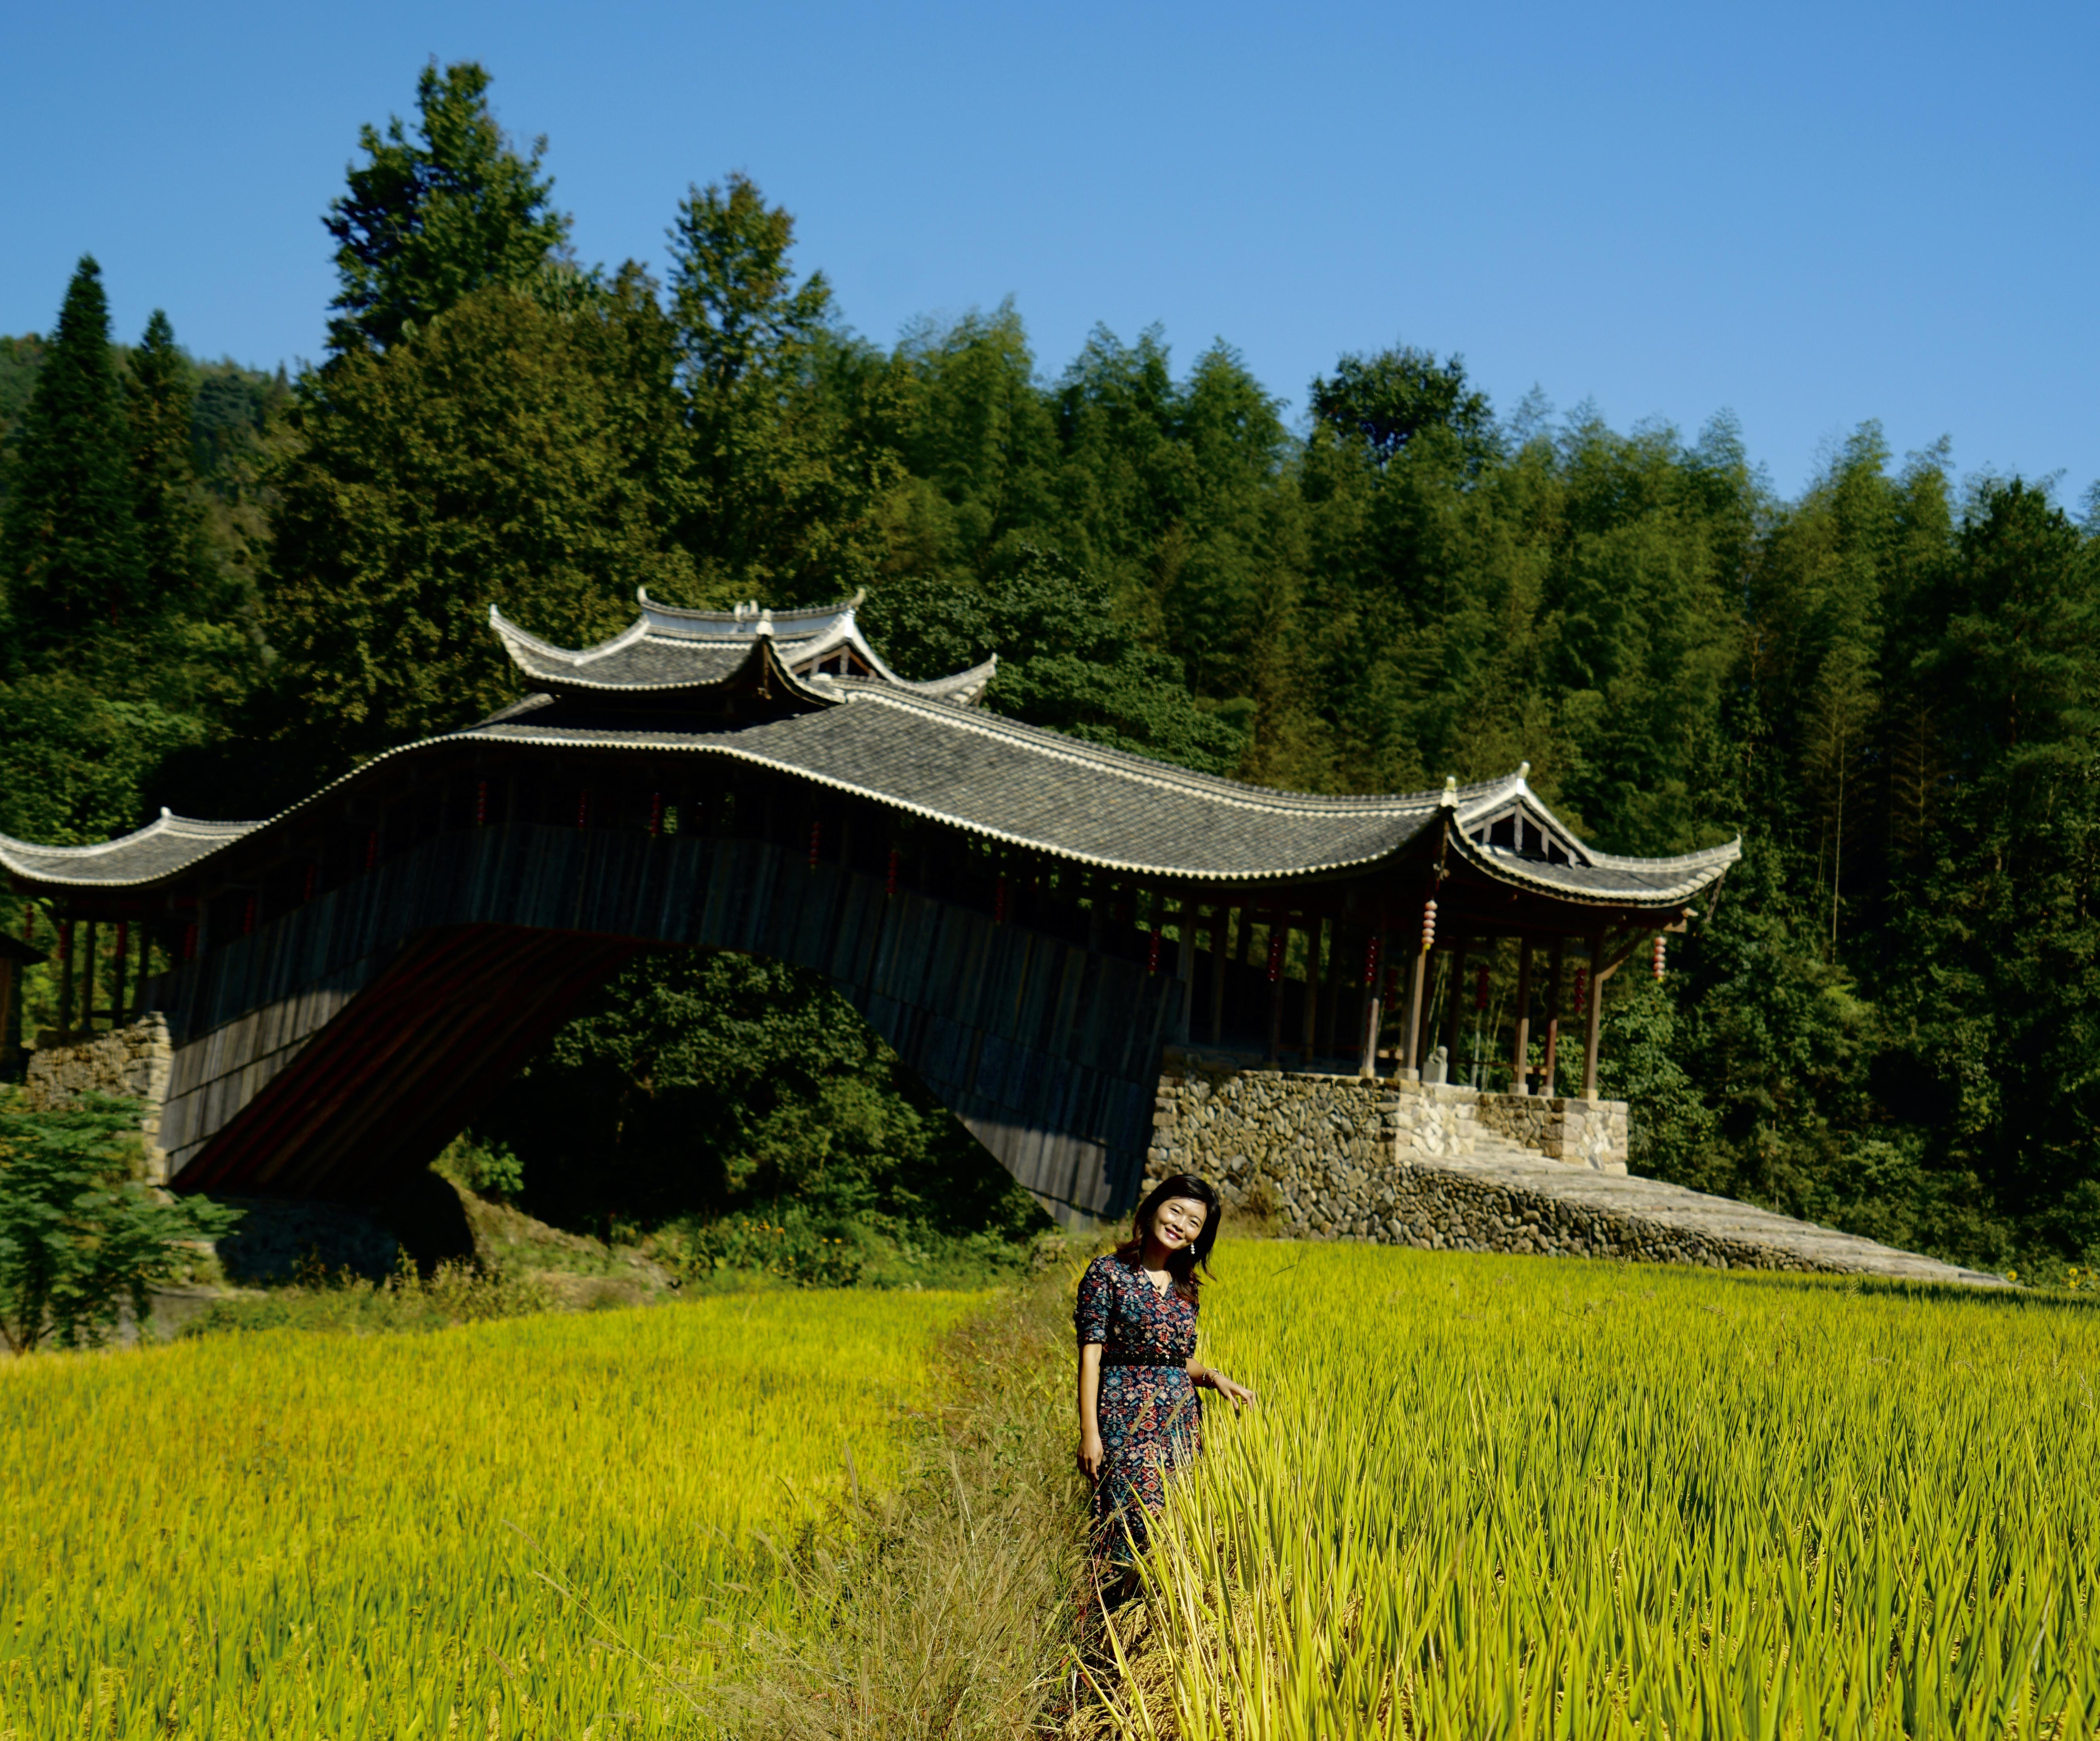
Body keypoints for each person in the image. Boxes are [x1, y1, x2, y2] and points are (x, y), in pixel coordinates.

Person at [1073, 1172, 1256, 1576]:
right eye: (1176, 1210)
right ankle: (1110, 1617)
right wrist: (1090, 1431)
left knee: (1174, 1522)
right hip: (1124, 1418)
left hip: (1180, 1422)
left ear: (1199, 1235)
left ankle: (1158, 1617)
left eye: (1194, 1221)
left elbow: (1175, 1359)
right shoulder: (1108, 1272)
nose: (1181, 1223)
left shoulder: (1186, 1285)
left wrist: (1213, 1376)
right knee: (1125, 1520)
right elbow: (1090, 1358)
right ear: (1153, 1208)